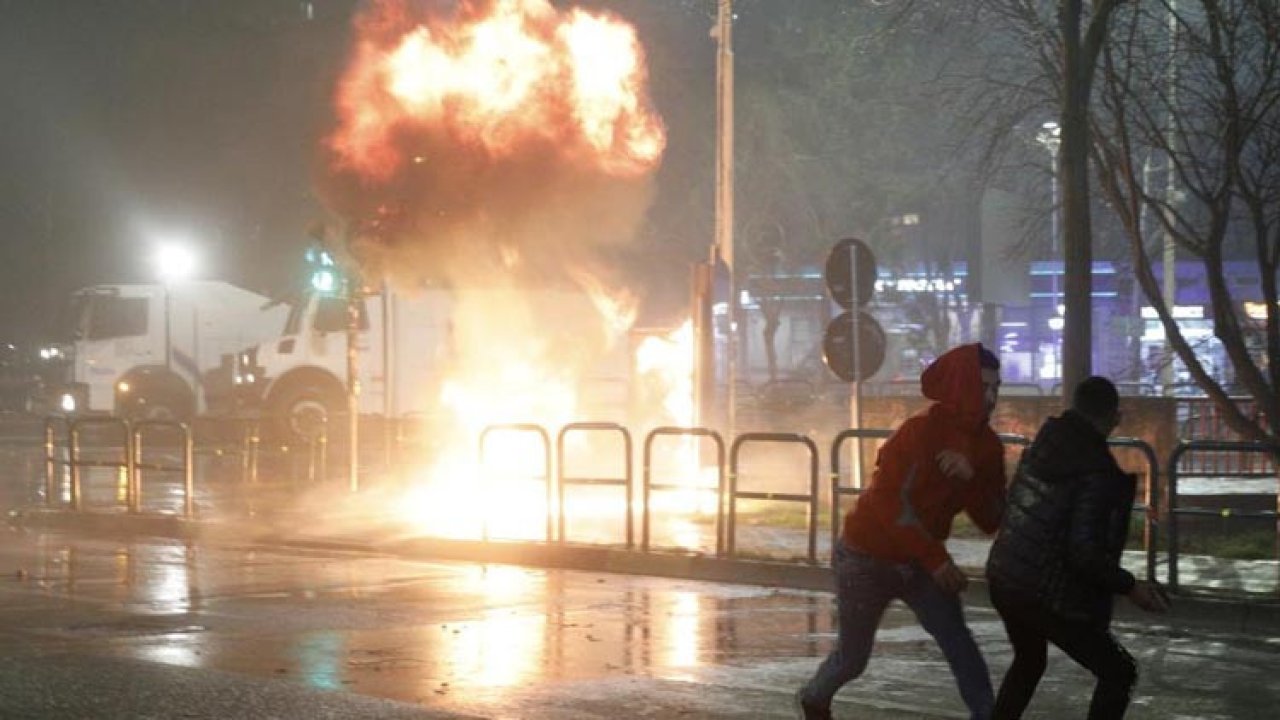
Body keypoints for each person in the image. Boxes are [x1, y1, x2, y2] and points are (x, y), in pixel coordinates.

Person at [796, 343, 1007, 720]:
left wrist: (971, 478)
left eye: (997, 388)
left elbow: (992, 519)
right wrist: (936, 559)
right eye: (983, 387)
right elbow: (889, 503)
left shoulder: (988, 448)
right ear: (961, 386)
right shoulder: (917, 433)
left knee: (960, 644)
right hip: (865, 556)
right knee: (853, 658)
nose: (991, 398)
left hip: (921, 563)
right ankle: (814, 698)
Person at [985, 376, 1170, 719]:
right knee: (1118, 671)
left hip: (1006, 578)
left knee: (1029, 662)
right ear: (1114, 417)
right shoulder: (1097, 470)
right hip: (1043, 593)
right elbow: (1083, 552)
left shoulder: (1042, 444)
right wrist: (1130, 587)